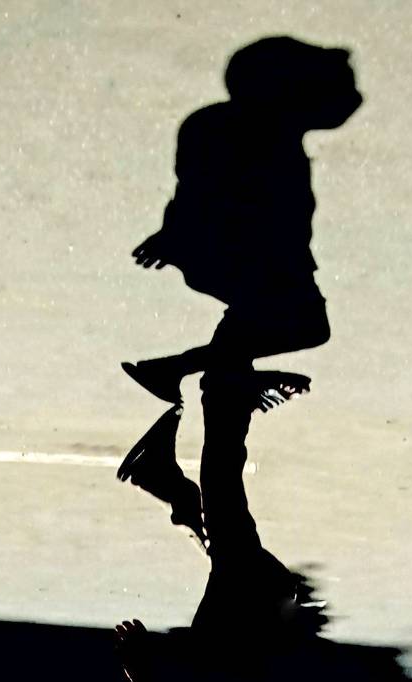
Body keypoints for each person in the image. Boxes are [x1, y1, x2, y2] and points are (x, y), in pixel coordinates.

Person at [119, 36, 362, 573]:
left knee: (240, 363)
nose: (350, 103)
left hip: (251, 263)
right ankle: (187, 419)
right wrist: (176, 234)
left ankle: (184, 471)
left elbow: (196, 192)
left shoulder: (245, 130)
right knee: (294, 330)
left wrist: (174, 234)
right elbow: (200, 191)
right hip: (252, 263)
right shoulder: (248, 134)